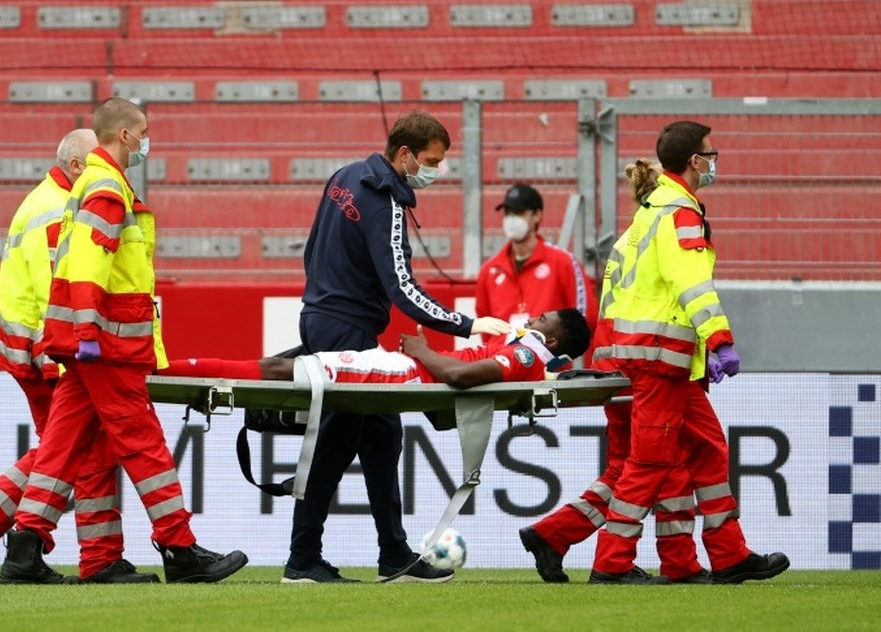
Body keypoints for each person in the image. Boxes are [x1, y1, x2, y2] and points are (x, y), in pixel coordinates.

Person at [0, 97, 248, 584]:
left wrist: (81, 330)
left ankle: (24, 548)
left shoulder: (90, 181)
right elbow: (90, 263)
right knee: (144, 443)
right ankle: (179, 548)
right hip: (107, 343)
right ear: (126, 135)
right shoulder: (109, 186)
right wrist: (90, 328)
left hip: (87, 340)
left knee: (61, 447)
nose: (146, 140)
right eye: (144, 131)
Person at [289, 111, 512, 583]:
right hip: (346, 329)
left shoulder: (344, 177)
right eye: (431, 160)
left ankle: (387, 553)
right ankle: (307, 558)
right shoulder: (386, 199)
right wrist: (466, 324)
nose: (436, 170)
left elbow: (312, 250)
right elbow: (401, 286)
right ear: (405, 154)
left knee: (381, 434)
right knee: (338, 439)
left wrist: (324, 304)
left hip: (322, 318)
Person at [0, 129, 157, 584]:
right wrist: (66, 356)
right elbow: (55, 287)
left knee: (68, 450)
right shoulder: (62, 208)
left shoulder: (45, 201)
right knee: (75, 450)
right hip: (50, 353)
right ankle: (96, 558)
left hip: (31, 349)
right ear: (77, 165)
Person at [587, 121, 789, 584]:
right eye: (710, 153)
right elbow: (691, 285)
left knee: (707, 448)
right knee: (650, 463)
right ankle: (611, 564)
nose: (714, 160)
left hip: (647, 352)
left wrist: (613, 351)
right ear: (695, 161)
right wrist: (719, 339)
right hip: (659, 356)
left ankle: (728, 555)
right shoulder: (679, 211)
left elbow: (616, 285)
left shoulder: (649, 211)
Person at [519, 160, 711, 585]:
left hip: (616, 362)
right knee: (663, 463)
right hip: (644, 364)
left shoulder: (630, 237)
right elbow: (680, 296)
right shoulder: (663, 231)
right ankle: (669, 563)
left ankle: (553, 534)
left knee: (625, 470)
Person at [162, 309, 590, 388]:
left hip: (402, 374)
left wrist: (421, 351)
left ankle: (162, 371)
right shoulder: (525, 350)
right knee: (280, 365)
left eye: (541, 320)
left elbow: (460, 376)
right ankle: (164, 370)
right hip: (400, 368)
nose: (531, 318)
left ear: (550, 340)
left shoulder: (527, 354)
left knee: (278, 370)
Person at [476, 184, 599, 365]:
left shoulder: (562, 261)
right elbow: (486, 326)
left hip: (549, 368)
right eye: (508, 213)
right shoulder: (489, 270)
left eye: (518, 213)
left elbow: (585, 317)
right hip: (502, 366)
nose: (511, 219)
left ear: (537, 215)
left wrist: (557, 361)